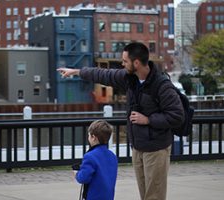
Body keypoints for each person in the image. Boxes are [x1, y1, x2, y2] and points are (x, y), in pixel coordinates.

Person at [58, 42, 185, 200]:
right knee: (145, 194)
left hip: (156, 148)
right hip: (138, 147)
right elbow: (103, 74)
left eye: (125, 61)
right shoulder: (129, 78)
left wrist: (148, 120)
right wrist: (76, 72)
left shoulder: (161, 85)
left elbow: (177, 115)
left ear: (136, 63)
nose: (122, 64)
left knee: (154, 196)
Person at [73, 120, 118, 200]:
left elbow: (84, 178)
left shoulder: (90, 156)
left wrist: (77, 174)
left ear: (93, 137)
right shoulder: (112, 156)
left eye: (89, 135)